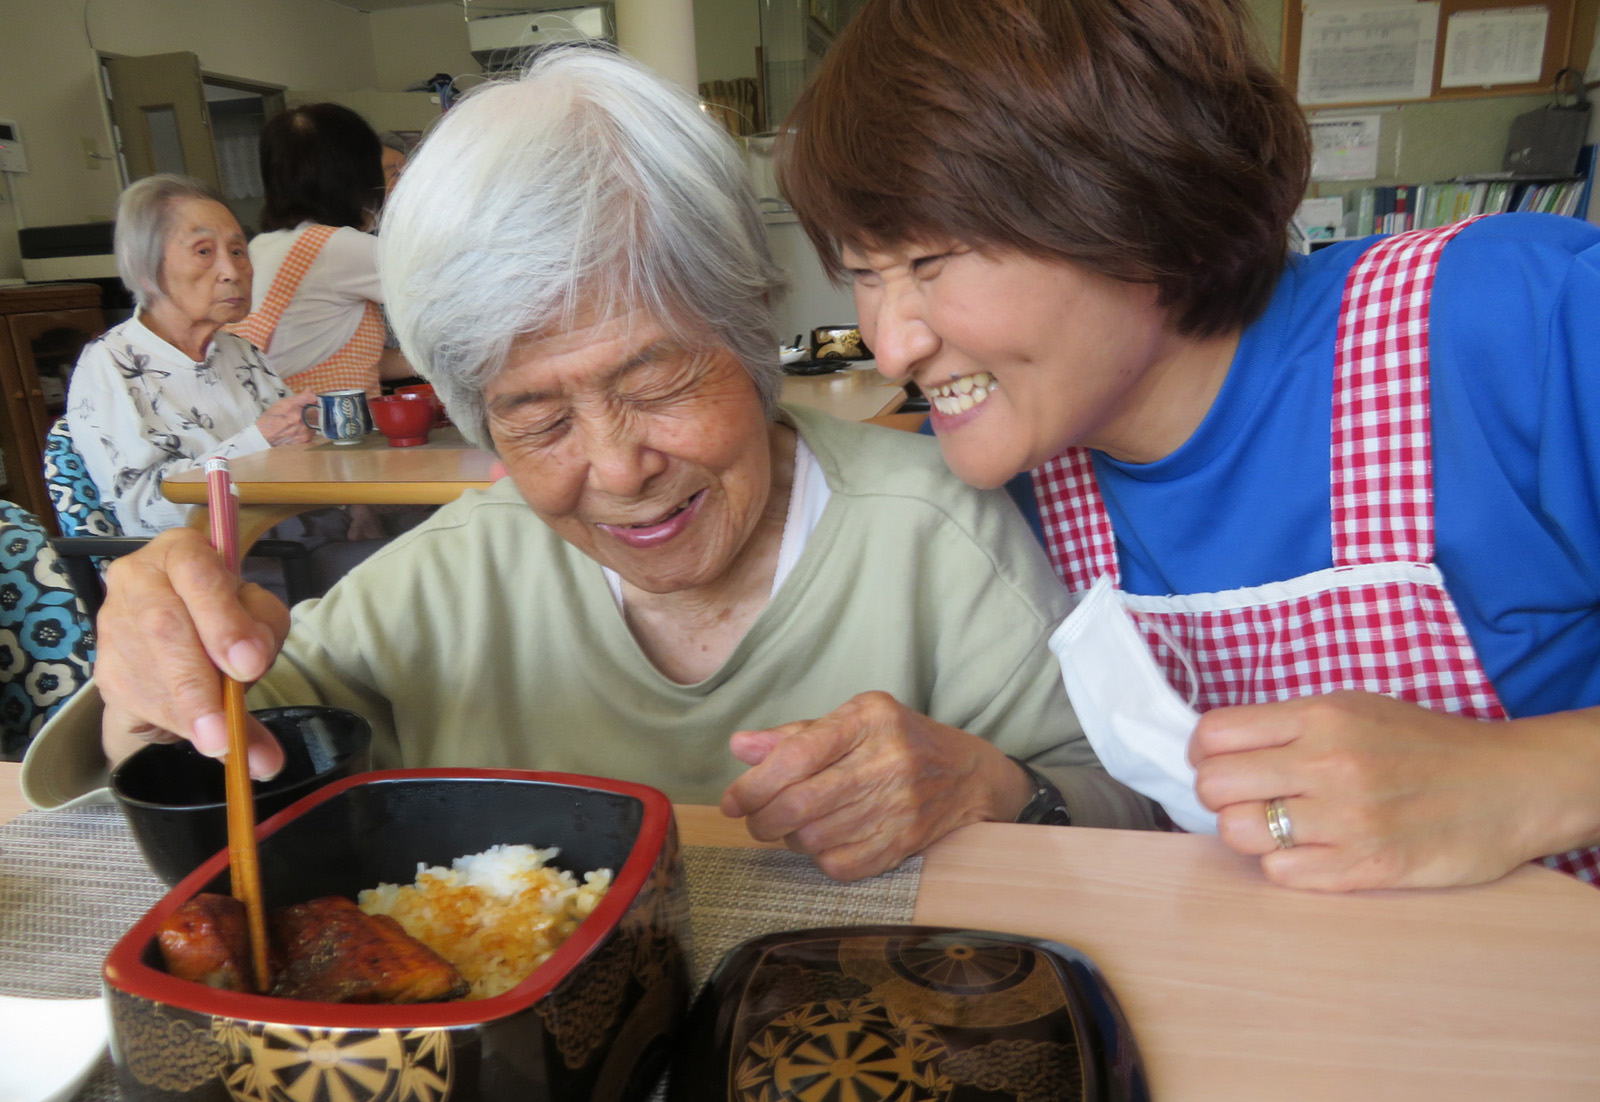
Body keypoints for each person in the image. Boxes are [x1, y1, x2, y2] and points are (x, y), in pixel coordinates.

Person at [23, 48, 1152, 882]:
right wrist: (156, 662)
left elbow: (1140, 817)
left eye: (658, 382)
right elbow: (199, 758)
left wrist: (1007, 789)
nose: (616, 470)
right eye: (536, 416)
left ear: (753, 332)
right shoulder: (455, 577)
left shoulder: (936, 539)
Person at [774, 0, 1600, 891]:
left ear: (1130, 199)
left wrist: (1527, 779)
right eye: (863, 274)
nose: (891, 346)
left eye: (929, 262)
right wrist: (1001, 786)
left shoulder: (1521, 321)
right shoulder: (1013, 488)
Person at [65, 174, 318, 537]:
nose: (231, 272)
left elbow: (298, 455)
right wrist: (259, 439)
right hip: (213, 567)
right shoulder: (109, 364)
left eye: (236, 251)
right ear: (147, 267)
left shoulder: (241, 352)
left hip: (298, 539)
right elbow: (145, 511)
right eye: (203, 251)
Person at [229, 103, 413, 399]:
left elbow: (355, 362)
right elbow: (453, 292)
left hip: (287, 426)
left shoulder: (264, 245)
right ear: (356, 174)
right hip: (325, 431)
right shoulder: (337, 247)